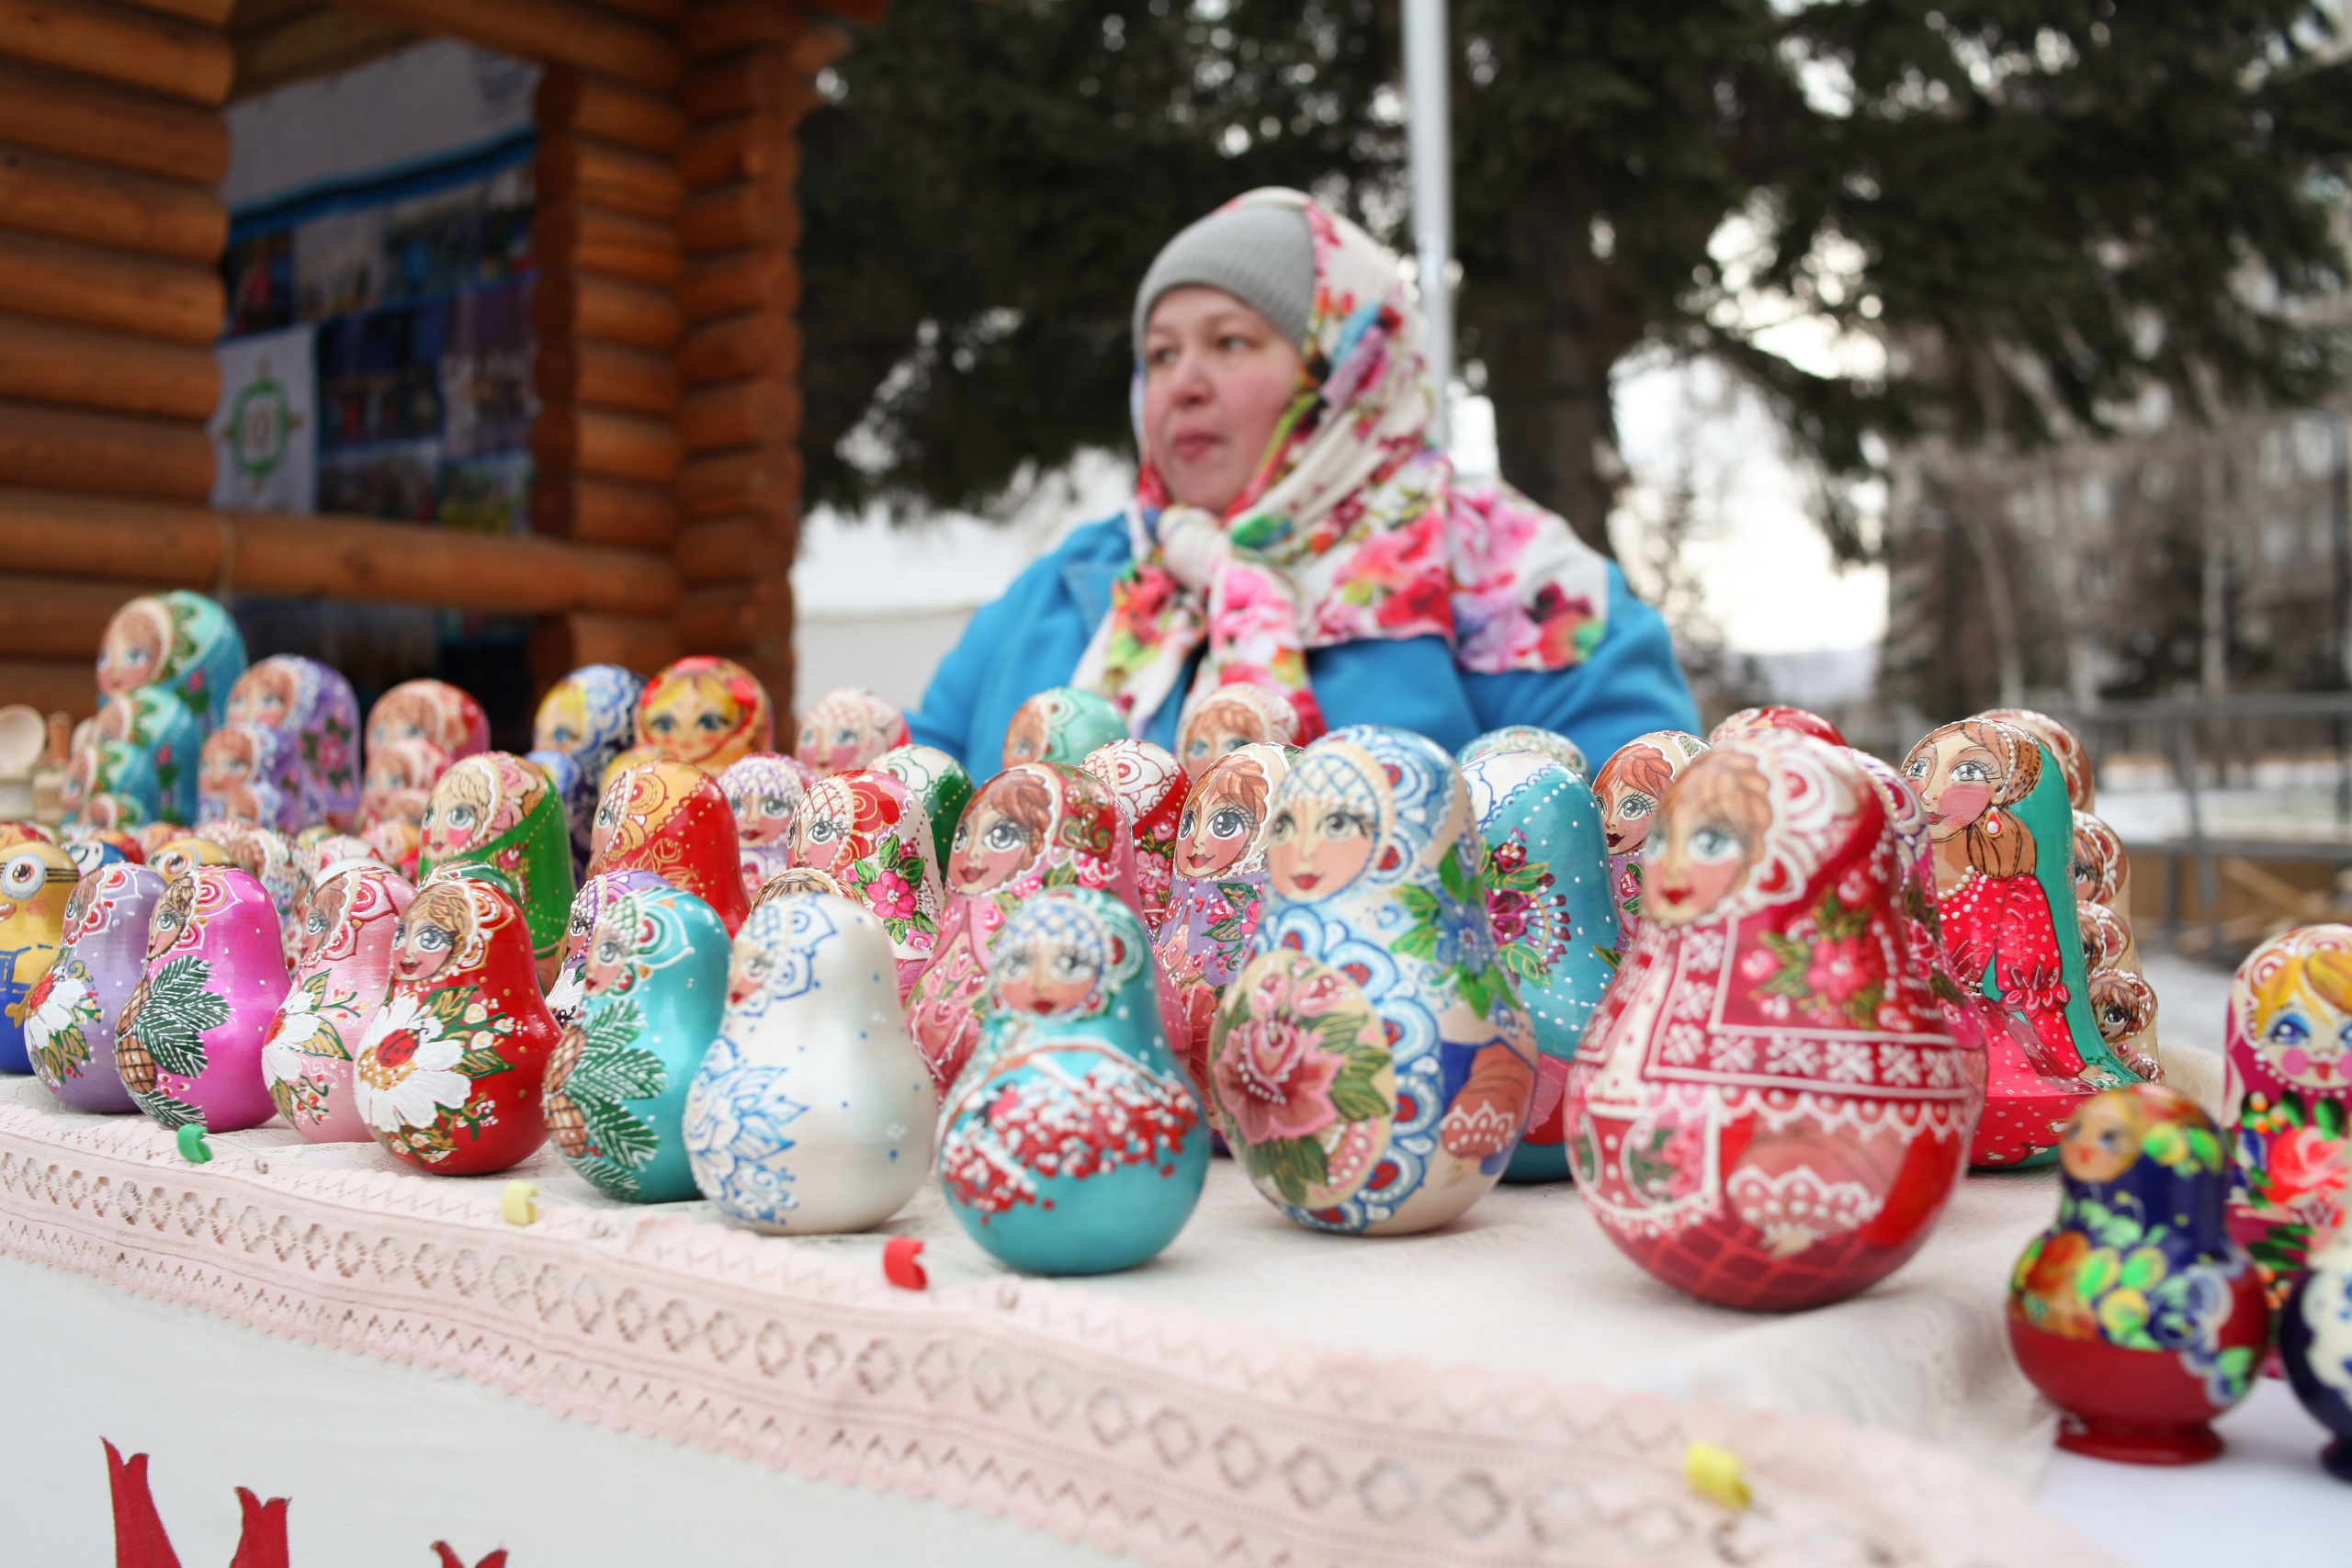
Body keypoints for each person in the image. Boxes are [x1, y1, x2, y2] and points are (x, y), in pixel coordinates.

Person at [906, 188, 1700, 777]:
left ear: (1349, 370)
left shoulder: (1511, 581)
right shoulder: (1070, 584)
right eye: (1161, 354)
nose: (1182, 383)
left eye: (1230, 342)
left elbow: (1635, 856)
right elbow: (913, 815)